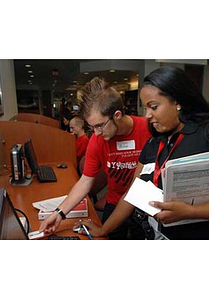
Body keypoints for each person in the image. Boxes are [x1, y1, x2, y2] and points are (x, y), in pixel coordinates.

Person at [77, 66, 209, 240]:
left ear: (177, 101)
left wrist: (192, 212)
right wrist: (103, 229)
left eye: (153, 107)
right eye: (145, 108)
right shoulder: (154, 142)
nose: (147, 115)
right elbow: (132, 193)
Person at [39, 77, 151, 239]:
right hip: (114, 202)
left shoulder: (148, 129)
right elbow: (85, 181)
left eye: (99, 125)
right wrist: (59, 213)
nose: (96, 133)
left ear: (117, 115)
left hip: (144, 205)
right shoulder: (97, 139)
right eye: (92, 127)